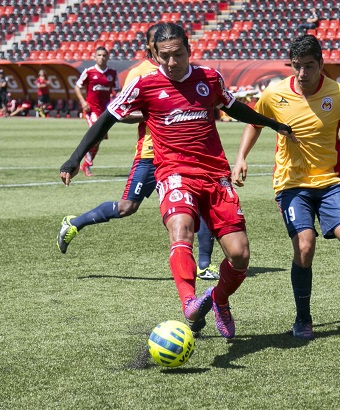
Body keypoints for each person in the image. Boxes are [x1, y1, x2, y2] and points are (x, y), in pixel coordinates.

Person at [58, 23, 293, 339]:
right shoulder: (144, 84)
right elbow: (107, 119)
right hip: (173, 173)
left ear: (189, 50)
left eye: (178, 55)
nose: (171, 62)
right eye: (164, 56)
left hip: (214, 175)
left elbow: (233, 107)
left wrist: (272, 124)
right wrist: (75, 158)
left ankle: (219, 300)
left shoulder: (209, 78)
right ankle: (190, 304)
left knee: (240, 255)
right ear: (154, 53)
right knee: (180, 229)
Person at [231, 35, 340, 339]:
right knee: (305, 247)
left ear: (321, 63)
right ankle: (303, 317)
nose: (303, 74)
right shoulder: (274, 93)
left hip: (331, 184)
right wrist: (241, 157)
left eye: (309, 66)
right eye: (297, 67)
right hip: (291, 185)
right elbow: (254, 123)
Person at [57, 24, 219, 280]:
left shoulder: (184, 69)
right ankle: (74, 224)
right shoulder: (140, 74)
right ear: (150, 48)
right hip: (150, 153)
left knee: (200, 203)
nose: (169, 55)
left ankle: (204, 264)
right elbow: (119, 113)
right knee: (127, 207)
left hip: (183, 154)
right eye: (160, 47)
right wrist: (152, 111)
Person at [74, 46, 119, 177]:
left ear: (108, 57)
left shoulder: (112, 73)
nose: (101, 57)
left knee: (98, 139)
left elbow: (117, 91)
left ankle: (87, 163)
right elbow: (77, 86)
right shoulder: (89, 71)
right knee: (96, 136)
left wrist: (115, 102)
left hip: (105, 111)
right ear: (94, 57)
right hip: (91, 110)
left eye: (104, 55)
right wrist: (83, 102)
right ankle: (87, 164)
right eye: (99, 55)